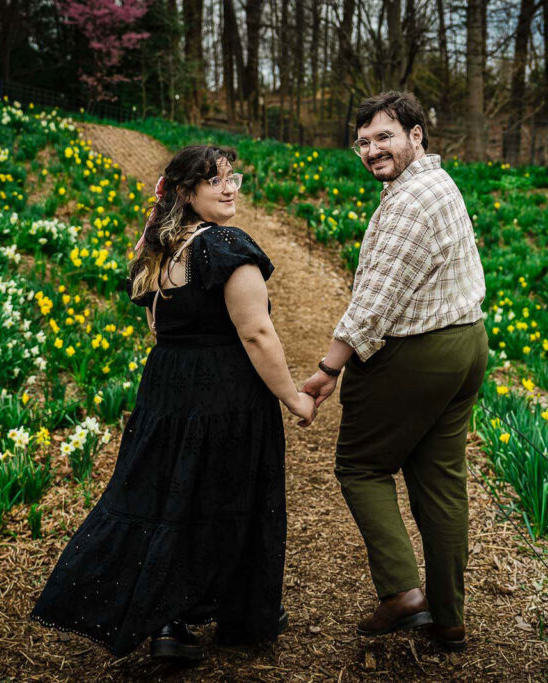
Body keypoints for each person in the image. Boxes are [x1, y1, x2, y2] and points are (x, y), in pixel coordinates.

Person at [31, 144, 316, 661]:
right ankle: (241, 610)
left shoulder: (159, 249)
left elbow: (161, 329)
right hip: (225, 392)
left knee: (167, 497)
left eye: (234, 178)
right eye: (215, 181)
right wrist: (294, 397)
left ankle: (167, 621)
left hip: (165, 388)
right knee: (227, 497)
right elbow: (256, 333)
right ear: (186, 193)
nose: (230, 189)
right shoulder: (225, 246)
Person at [302, 92, 489, 652]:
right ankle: (450, 618)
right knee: (440, 482)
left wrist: (329, 367)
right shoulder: (437, 183)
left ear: (416, 134)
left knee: (361, 466)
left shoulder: (410, 201)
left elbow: (374, 304)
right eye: (362, 142)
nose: (371, 150)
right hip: (466, 344)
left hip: (418, 354)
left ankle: (402, 593)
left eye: (384, 136)